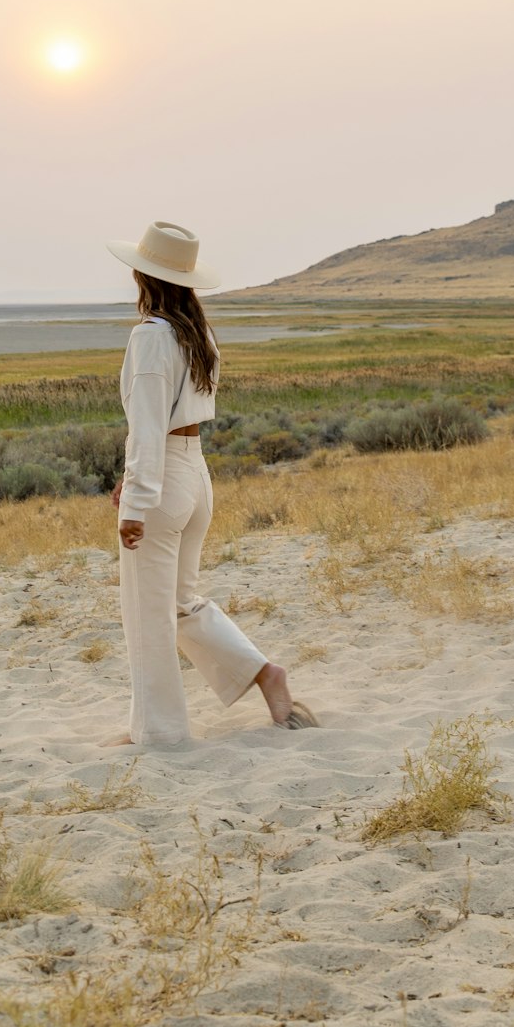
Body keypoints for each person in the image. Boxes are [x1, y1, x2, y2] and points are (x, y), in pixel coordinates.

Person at [105, 221, 319, 746]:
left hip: (165, 484)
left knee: (147, 614)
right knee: (178, 603)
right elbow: (176, 422)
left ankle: (159, 733)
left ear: (141, 273)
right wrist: (133, 478)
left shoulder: (152, 335)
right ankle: (265, 674)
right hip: (195, 474)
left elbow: (151, 423)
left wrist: (136, 498)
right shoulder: (195, 332)